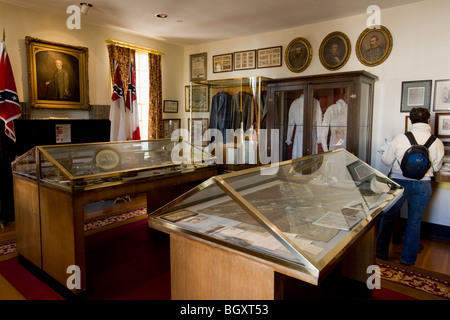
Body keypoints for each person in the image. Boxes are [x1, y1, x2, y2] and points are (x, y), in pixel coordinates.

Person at [376, 107, 444, 265]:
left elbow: (386, 161)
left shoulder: (400, 138)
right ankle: (407, 259)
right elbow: (436, 167)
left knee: (388, 217)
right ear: (428, 121)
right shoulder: (436, 142)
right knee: (415, 221)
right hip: (423, 184)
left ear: (410, 120)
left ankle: (381, 252)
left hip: (399, 182)